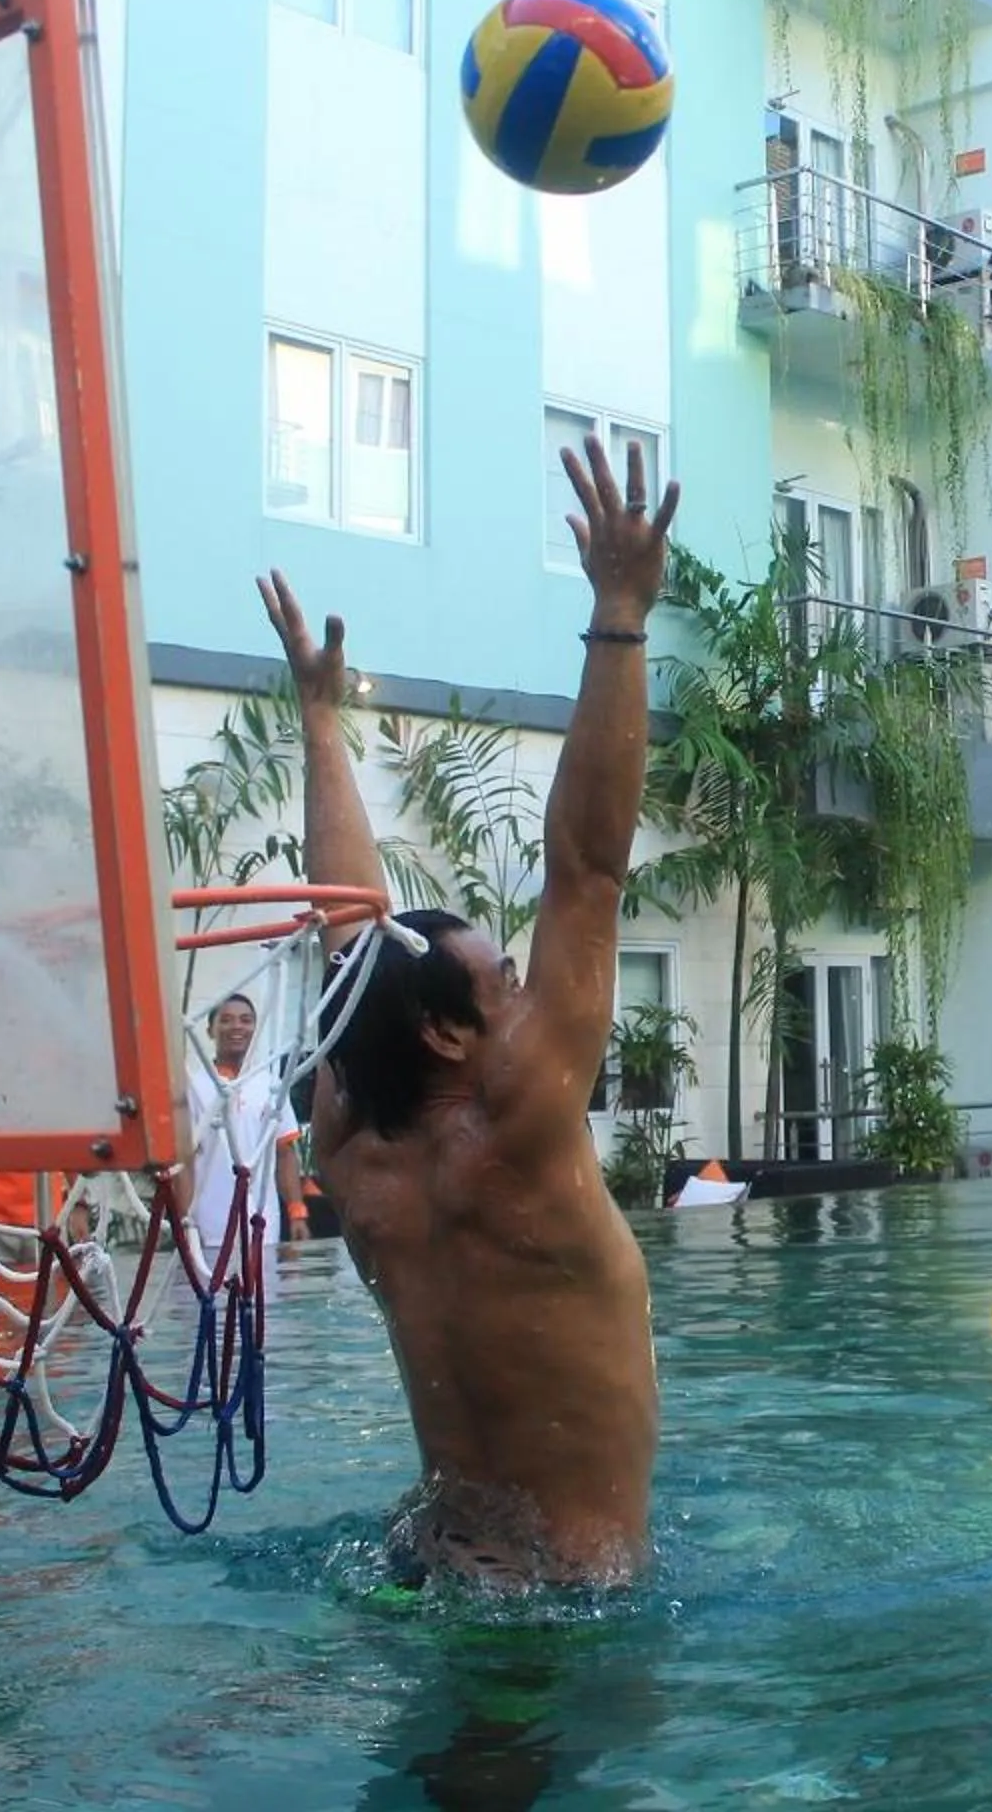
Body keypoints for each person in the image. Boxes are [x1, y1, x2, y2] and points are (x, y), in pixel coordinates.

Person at [261, 433, 676, 1588]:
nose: (520, 992)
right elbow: (586, 867)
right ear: (448, 1031)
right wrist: (619, 615)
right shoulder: (524, 1130)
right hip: (573, 1588)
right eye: (502, 982)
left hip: (434, 1560)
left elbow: (352, 936)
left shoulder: (352, 1151)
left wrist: (320, 722)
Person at [184, 992, 309, 1265]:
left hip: (263, 1220)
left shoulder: (271, 1084)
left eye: (246, 1020)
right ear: (210, 1030)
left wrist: (296, 1211)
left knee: (264, 1297)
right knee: (214, 1299)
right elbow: (186, 1160)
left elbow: (285, 1152)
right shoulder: (193, 1087)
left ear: (255, 1028)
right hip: (210, 1221)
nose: (237, 1027)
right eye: (226, 1020)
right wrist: (186, 1221)